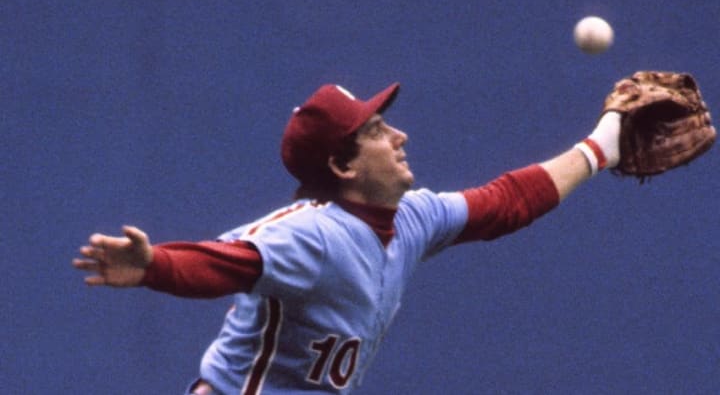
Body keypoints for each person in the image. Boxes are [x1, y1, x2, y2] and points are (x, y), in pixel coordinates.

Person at [73, 81, 621, 394]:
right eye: (377, 131)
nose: (399, 134)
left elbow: (507, 202)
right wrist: (154, 267)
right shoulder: (313, 235)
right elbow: (226, 264)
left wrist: (603, 146)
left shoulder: (413, 219)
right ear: (342, 164)